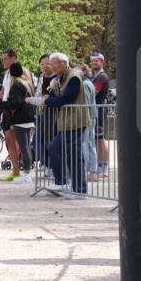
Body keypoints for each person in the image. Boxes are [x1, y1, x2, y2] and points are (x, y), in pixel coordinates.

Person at [42, 53, 89, 197]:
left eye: (55, 63)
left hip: (76, 121)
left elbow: (66, 98)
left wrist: (48, 101)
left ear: (64, 63)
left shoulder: (73, 77)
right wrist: (49, 97)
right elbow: (54, 96)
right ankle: (77, 189)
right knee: (73, 154)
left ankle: (65, 184)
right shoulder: (59, 79)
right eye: (51, 64)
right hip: (67, 122)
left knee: (57, 147)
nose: (52, 67)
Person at [2, 62, 36, 184]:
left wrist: (3, 103)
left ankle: (27, 174)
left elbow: (15, 103)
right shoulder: (27, 83)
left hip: (20, 119)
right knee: (26, 147)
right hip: (28, 118)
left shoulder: (16, 85)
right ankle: (27, 173)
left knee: (24, 147)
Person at [90, 52, 111, 178]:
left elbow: (93, 93)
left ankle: (104, 167)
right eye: (92, 61)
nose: (93, 63)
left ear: (102, 62)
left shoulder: (102, 77)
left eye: (96, 61)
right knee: (97, 139)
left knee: (100, 139)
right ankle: (100, 165)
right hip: (95, 111)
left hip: (99, 111)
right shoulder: (95, 76)